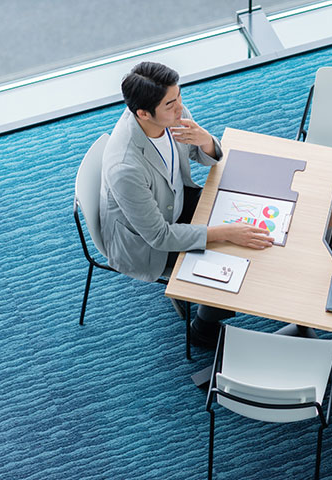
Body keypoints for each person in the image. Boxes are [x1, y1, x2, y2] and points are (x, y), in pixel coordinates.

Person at [99, 62, 274, 347]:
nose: (181, 107)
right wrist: (225, 234)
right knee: (230, 251)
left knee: (241, 208)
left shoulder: (169, 114)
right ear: (143, 113)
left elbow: (202, 154)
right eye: (171, 104)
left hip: (174, 201)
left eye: (179, 96)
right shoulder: (126, 168)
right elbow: (159, 237)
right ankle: (202, 328)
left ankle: (194, 290)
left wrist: (205, 141)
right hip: (147, 244)